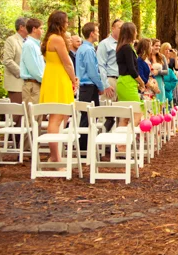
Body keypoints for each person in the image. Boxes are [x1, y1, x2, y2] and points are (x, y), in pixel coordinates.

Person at [39, 11, 78, 163]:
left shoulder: (49, 38)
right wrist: (73, 80)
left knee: (59, 117)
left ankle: (56, 156)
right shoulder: (57, 39)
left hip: (52, 76)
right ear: (60, 23)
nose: (68, 24)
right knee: (55, 119)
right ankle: (55, 157)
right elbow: (67, 62)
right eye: (66, 22)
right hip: (58, 78)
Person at [75, 22, 113, 150]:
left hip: (86, 87)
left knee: (88, 116)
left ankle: (85, 145)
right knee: (89, 116)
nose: (98, 33)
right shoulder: (88, 50)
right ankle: (84, 147)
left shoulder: (82, 48)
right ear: (91, 33)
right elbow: (92, 71)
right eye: (96, 31)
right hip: (89, 86)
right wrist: (101, 86)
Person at [116, 22, 146, 127]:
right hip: (127, 83)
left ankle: (122, 143)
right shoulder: (127, 48)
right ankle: (126, 139)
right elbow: (132, 69)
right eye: (136, 30)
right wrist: (142, 82)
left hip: (125, 82)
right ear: (131, 32)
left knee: (125, 116)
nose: (137, 32)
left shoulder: (122, 47)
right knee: (138, 111)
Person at [19, 18, 44, 105]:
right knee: (33, 116)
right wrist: (44, 79)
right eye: (41, 28)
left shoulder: (37, 45)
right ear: (34, 29)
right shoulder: (29, 45)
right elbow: (33, 68)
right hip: (32, 85)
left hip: (38, 83)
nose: (43, 31)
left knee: (39, 115)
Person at [2, 17, 27, 104]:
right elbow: (7, 60)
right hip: (16, 83)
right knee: (16, 115)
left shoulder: (30, 41)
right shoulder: (11, 40)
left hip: (29, 85)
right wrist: (23, 73)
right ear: (21, 27)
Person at [97, 19, 123, 101]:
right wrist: (106, 85)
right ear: (113, 28)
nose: (122, 30)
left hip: (123, 81)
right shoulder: (104, 44)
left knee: (122, 111)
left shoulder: (124, 44)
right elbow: (100, 65)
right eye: (120, 28)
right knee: (108, 110)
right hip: (111, 80)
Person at [160, 42, 178, 107]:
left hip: (170, 80)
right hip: (163, 79)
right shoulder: (160, 59)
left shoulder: (171, 60)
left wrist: (175, 57)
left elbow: (177, 68)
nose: (168, 51)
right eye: (166, 49)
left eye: (169, 49)